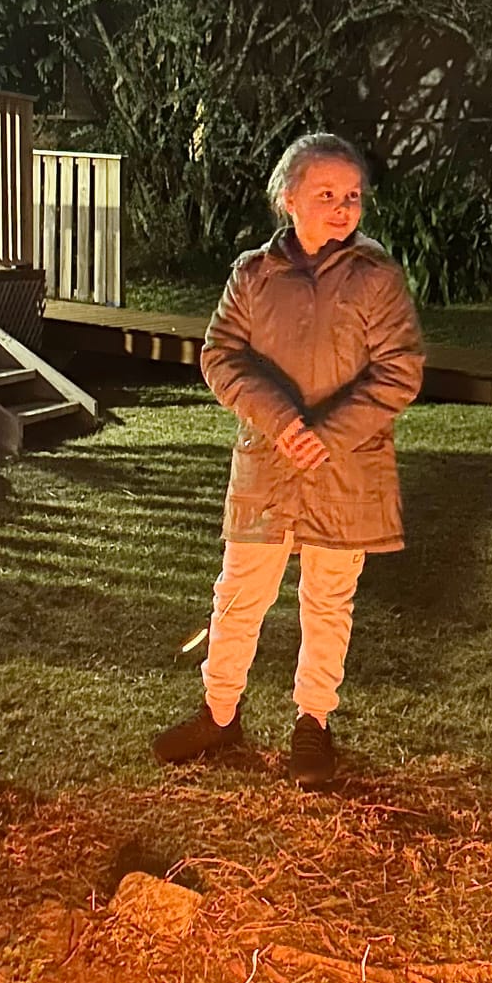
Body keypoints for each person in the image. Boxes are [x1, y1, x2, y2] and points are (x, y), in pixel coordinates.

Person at [153, 133, 424, 786]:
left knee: (328, 597)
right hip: (267, 463)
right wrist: (281, 421)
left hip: (345, 468)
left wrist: (327, 433)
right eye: (326, 194)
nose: (341, 207)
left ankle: (313, 722)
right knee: (241, 591)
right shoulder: (253, 273)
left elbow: (400, 369)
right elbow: (220, 355)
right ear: (288, 199)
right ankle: (220, 712)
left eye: (352, 196)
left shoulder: (376, 277)